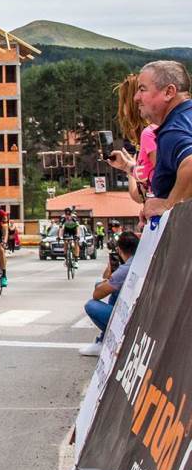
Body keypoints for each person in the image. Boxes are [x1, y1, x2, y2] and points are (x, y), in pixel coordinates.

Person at [129, 61, 192, 226]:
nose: (136, 98)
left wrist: (168, 205)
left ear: (169, 92)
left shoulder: (173, 131)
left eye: (142, 89)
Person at [79, 231, 140, 356]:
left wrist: (109, 269)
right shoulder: (141, 261)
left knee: (91, 305)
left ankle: (104, 341)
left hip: (131, 319)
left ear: (119, 250)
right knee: (116, 291)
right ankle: (103, 340)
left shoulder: (125, 269)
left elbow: (97, 294)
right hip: (141, 313)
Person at [108, 73, 157, 205]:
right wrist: (128, 166)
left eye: (124, 101)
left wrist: (130, 167)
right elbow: (141, 195)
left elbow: (163, 182)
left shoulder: (151, 134)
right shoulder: (142, 142)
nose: (122, 110)